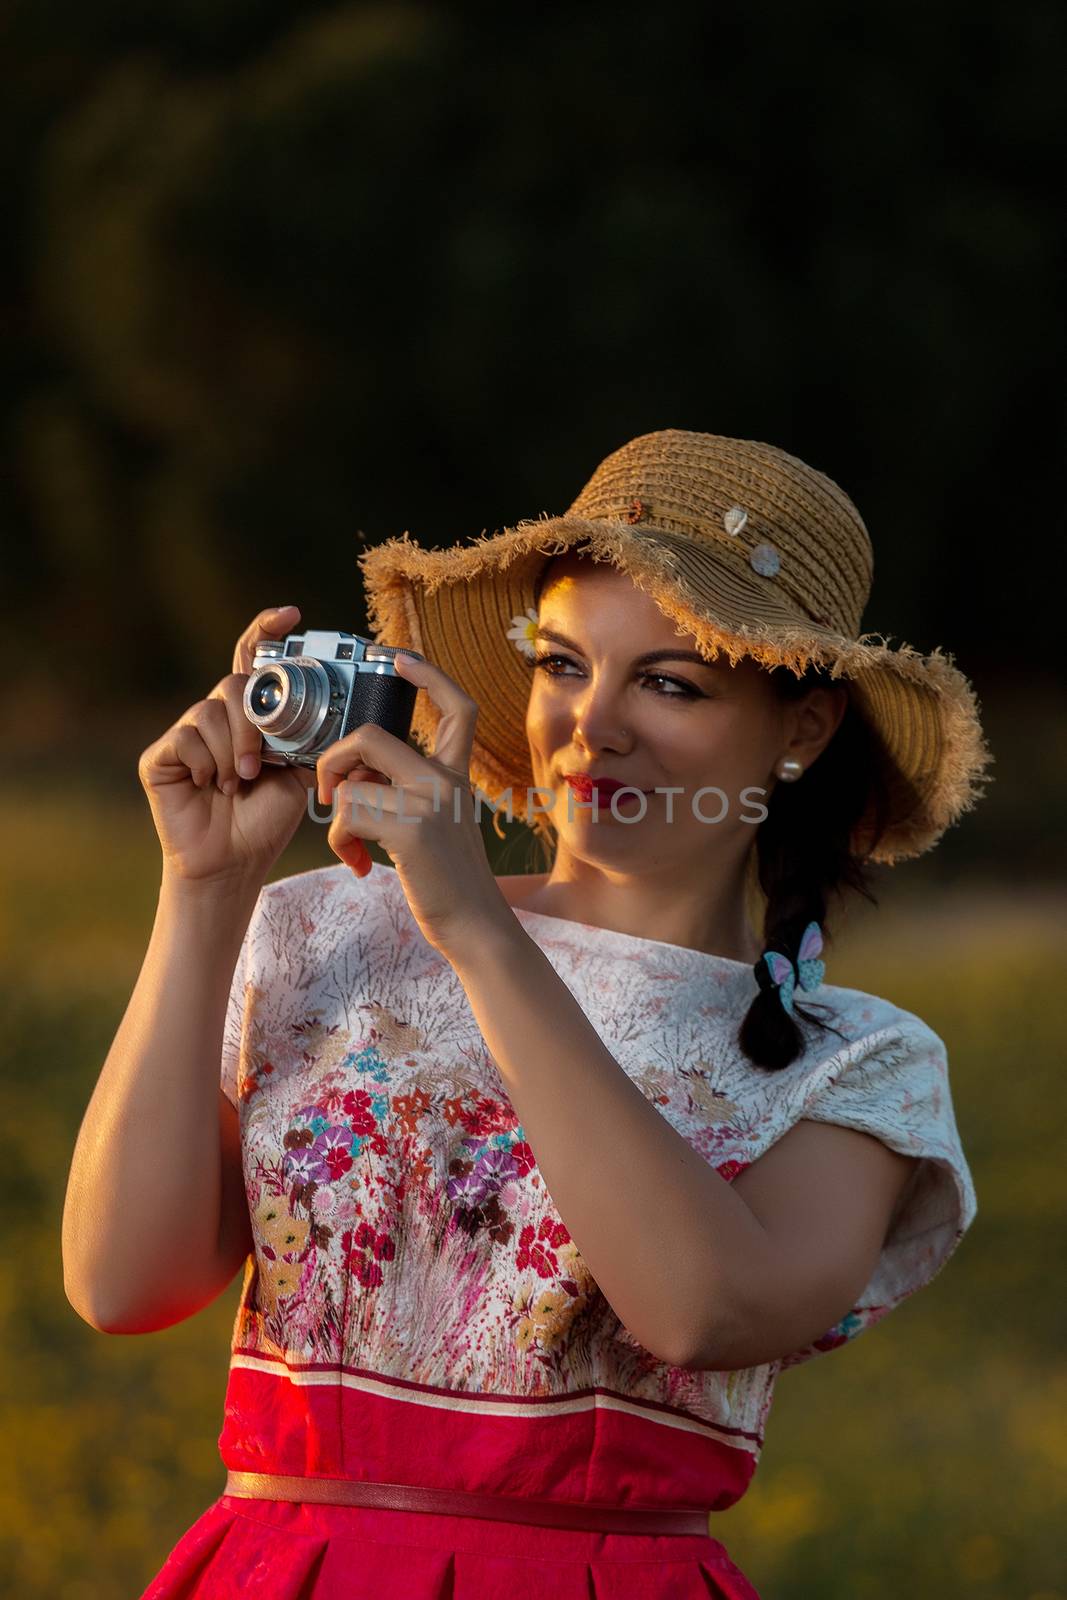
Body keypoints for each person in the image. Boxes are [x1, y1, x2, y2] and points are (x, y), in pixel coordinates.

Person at [63, 428, 993, 1599]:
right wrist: (202, 893)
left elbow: (699, 1311)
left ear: (800, 730)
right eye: (561, 663)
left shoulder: (853, 1063)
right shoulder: (327, 924)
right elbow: (120, 1284)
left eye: (669, 681)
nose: (591, 727)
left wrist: (477, 934)